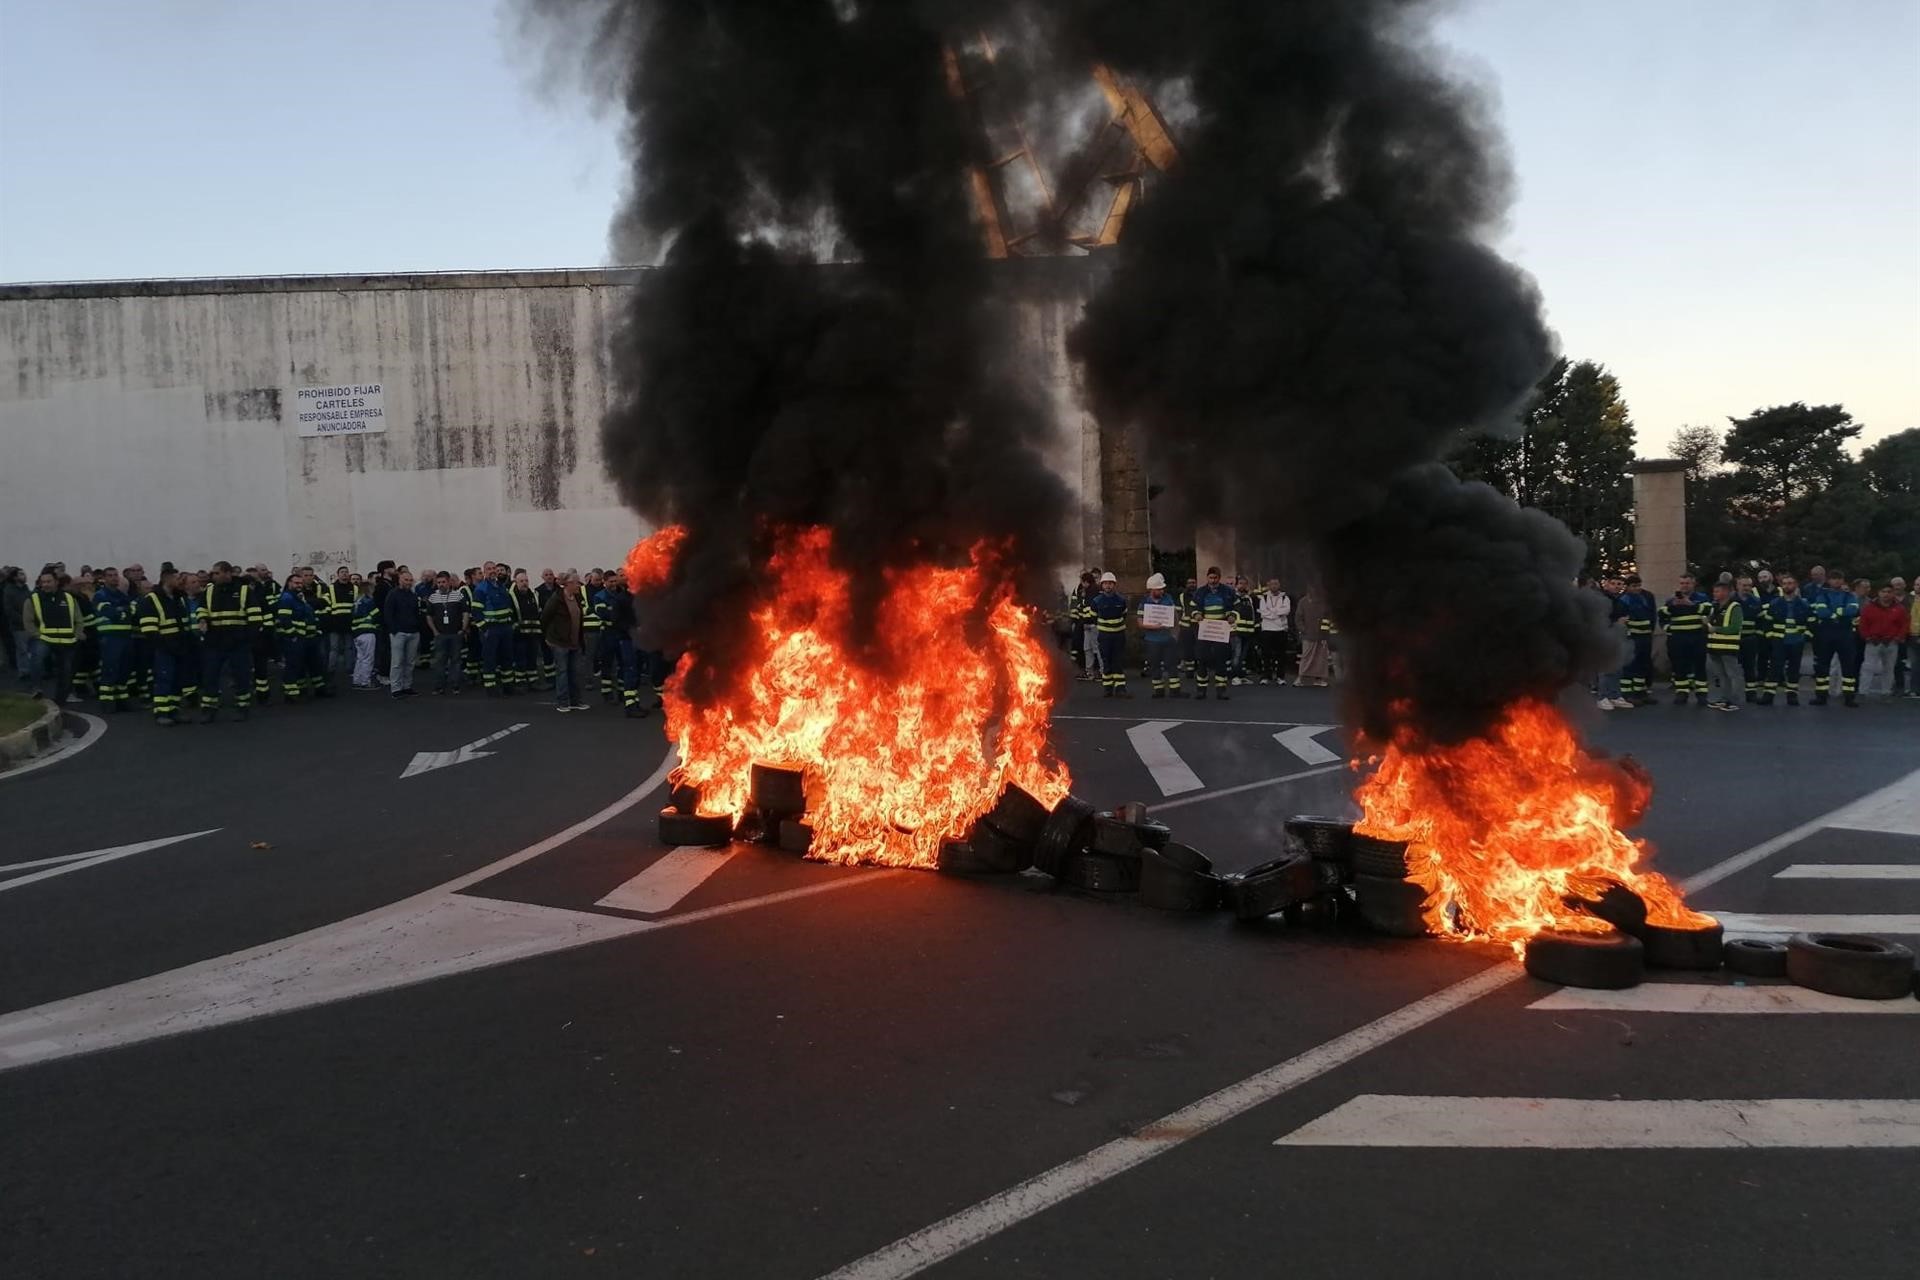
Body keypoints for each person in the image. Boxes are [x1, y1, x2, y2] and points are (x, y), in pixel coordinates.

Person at [198, 561, 261, 722]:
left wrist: (247, 639)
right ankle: (208, 708)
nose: (213, 576)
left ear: (227, 573)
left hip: (237, 642)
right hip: (215, 641)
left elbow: (254, 616)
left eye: (217, 573)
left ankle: (242, 707)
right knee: (210, 676)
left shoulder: (244, 590)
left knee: (241, 675)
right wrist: (202, 619)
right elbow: (202, 608)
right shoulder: (209, 590)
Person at [136, 568, 193, 725]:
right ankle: (161, 711)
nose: (180, 581)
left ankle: (174, 709)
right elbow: (149, 630)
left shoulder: (178, 598)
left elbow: (184, 624)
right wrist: (165, 646)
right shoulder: (151, 600)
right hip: (164, 648)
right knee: (164, 679)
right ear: (166, 579)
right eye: (177, 578)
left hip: (180, 647)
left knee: (177, 680)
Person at [25, 569, 85, 704]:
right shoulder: (33, 598)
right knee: (37, 660)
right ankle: (36, 689)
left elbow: (78, 618)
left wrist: (78, 634)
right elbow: (28, 620)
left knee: (66, 670)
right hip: (44, 638)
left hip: (67, 640)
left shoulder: (69, 598)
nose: (45, 584)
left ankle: (60, 699)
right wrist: (37, 635)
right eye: (43, 582)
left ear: (56, 582)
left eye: (49, 581)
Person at [1807, 568, 1860, 707]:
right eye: (1833, 578)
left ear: (1843, 580)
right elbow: (1821, 611)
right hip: (1826, 633)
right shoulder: (1822, 594)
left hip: (1845, 633)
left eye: (1839, 578)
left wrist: (1834, 614)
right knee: (1822, 666)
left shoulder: (1850, 595)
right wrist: (1840, 613)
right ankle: (1821, 696)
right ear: (1829, 581)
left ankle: (1849, 697)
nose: (1836, 581)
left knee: (1848, 666)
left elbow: (1853, 610)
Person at [541, 569, 591, 711]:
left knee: (575, 672)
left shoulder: (577, 598)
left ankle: (576, 701)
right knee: (562, 672)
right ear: (568, 584)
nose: (579, 586)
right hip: (560, 643)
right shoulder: (556, 599)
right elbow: (545, 617)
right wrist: (549, 637)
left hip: (574, 642)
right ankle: (563, 702)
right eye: (576, 583)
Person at [1761, 574, 1813, 706]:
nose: (1787, 586)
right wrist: (1771, 637)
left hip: (1796, 642)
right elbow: (1767, 622)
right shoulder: (1775, 604)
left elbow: (1812, 622)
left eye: (1790, 583)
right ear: (1781, 586)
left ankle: (1792, 695)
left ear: (1795, 585)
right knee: (1774, 668)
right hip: (1779, 641)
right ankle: (1768, 695)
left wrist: (1805, 636)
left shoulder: (1804, 604)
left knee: (1794, 669)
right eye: (1785, 583)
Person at [89, 567, 135, 712]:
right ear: (104, 578)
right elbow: (109, 613)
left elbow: (131, 611)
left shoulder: (121, 595)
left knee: (124, 669)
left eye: (116, 575)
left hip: (125, 636)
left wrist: (122, 611)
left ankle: (122, 699)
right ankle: (107, 701)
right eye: (110, 576)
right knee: (110, 668)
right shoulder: (100, 595)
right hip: (109, 637)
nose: (114, 578)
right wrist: (122, 611)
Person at [1189, 566, 1237, 700]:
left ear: (1219, 578)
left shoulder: (1227, 591)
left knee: (1221, 660)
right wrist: (1197, 614)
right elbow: (1192, 607)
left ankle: (1221, 690)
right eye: (1211, 578)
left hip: (1221, 630)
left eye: (1215, 578)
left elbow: (1236, 605)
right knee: (1202, 659)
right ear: (1207, 577)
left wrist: (1232, 615)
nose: (1213, 580)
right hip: (1205, 629)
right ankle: (1201, 690)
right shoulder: (1200, 592)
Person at [1659, 576, 1708, 706]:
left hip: (1697, 637)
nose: (1684, 586)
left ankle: (1701, 694)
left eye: (1687, 583)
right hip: (1677, 638)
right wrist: (1668, 627)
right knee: (1679, 666)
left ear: (1694, 584)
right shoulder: (1671, 600)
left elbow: (1709, 610)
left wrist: (1691, 604)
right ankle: (1682, 692)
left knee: (1700, 666)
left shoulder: (1702, 598)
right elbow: (1662, 616)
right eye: (1682, 583)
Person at [1859, 584, 1908, 698]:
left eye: (1888, 591)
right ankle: (1863, 691)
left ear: (1892, 593)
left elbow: (1904, 625)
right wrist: (1867, 637)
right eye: (1883, 591)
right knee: (1868, 667)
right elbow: (1863, 624)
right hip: (1873, 641)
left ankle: (1886, 691)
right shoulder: (1869, 607)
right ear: (1878, 593)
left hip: (1891, 642)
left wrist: (1897, 638)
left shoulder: (1899, 608)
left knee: (1889, 668)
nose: (1886, 594)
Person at [1137, 572, 1181, 698]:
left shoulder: (1168, 598)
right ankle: (1159, 690)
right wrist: (1154, 627)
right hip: (1152, 640)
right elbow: (1140, 622)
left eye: (1162, 588)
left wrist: (1176, 634)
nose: (1162, 591)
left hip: (1167, 638)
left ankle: (1175, 691)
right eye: (1159, 589)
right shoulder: (1144, 602)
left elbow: (1175, 617)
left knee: (1172, 665)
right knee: (1155, 665)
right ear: (1152, 589)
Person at [1703, 581, 1745, 711]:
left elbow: (1735, 628)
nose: (1714, 594)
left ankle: (1734, 700)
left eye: (1718, 591)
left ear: (1726, 592)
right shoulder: (1714, 607)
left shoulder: (1734, 607)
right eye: (1714, 591)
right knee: (1721, 675)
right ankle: (1724, 698)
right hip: (1714, 647)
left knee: (1732, 674)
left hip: (1728, 647)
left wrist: (1715, 629)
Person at [1089, 570, 1131, 697]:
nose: (1108, 586)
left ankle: (1120, 688)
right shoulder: (1096, 601)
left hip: (1118, 636)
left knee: (1118, 661)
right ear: (1102, 585)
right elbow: (1093, 617)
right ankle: (1108, 688)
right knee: (1106, 661)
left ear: (1114, 585)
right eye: (1105, 583)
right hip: (1104, 636)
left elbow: (1124, 614)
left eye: (1110, 583)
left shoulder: (1121, 600)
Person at [382, 569, 423, 697]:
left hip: (413, 632)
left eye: (411, 580)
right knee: (397, 662)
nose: (409, 582)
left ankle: (407, 686)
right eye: (406, 580)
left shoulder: (413, 596)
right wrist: (394, 629)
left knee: (410, 662)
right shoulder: (392, 594)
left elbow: (417, 613)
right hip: (398, 633)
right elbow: (388, 613)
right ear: (400, 580)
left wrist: (417, 627)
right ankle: (396, 688)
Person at [1617, 574, 1656, 705]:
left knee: (1643, 665)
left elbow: (1651, 615)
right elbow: (1622, 619)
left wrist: (1650, 629)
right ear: (1627, 587)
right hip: (1631, 638)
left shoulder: (1644, 597)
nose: (1637, 588)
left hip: (1645, 637)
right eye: (1634, 586)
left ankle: (1640, 692)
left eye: (1639, 585)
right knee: (1630, 665)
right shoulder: (1624, 600)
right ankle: (1627, 693)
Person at [1734, 574, 1766, 702]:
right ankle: (1732, 693)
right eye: (1744, 585)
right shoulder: (1731, 600)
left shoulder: (1756, 601)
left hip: (1750, 639)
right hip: (1734, 640)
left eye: (1749, 585)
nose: (1746, 588)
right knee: (1732, 668)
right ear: (1737, 586)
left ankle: (1751, 693)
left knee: (1750, 667)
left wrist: (1757, 636)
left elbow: (1761, 621)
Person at [510, 569, 543, 690]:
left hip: (533, 633)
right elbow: (512, 615)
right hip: (519, 635)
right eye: (521, 581)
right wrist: (516, 629)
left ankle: (533, 681)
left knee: (532, 659)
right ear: (516, 582)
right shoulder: (512, 596)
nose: (524, 583)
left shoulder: (533, 595)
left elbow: (537, 613)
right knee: (520, 659)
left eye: (526, 580)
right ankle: (520, 682)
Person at [1255, 577, 1291, 686]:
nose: (1274, 586)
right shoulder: (1264, 598)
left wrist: (1272, 613)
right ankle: (1266, 676)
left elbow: (1286, 611)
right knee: (1266, 654)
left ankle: (1280, 677)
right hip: (1267, 629)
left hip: (1281, 629)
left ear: (1279, 585)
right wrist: (1276, 614)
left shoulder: (1285, 598)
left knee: (1281, 655)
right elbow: (1263, 613)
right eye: (1272, 584)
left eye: (1276, 584)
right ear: (1268, 585)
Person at [349, 581, 381, 688]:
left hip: (356, 632)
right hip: (368, 631)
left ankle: (357, 679)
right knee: (368, 658)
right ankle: (365, 681)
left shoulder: (355, 602)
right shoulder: (369, 601)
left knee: (360, 657)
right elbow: (376, 615)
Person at [1228, 575, 1257, 685]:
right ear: (1236, 585)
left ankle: (1241, 675)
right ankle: (1234, 676)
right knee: (1236, 653)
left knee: (1243, 655)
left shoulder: (1249, 598)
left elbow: (1253, 614)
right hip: (1236, 630)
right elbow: (1230, 612)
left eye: (1245, 583)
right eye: (1240, 583)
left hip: (1248, 630)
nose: (1243, 586)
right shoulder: (1232, 597)